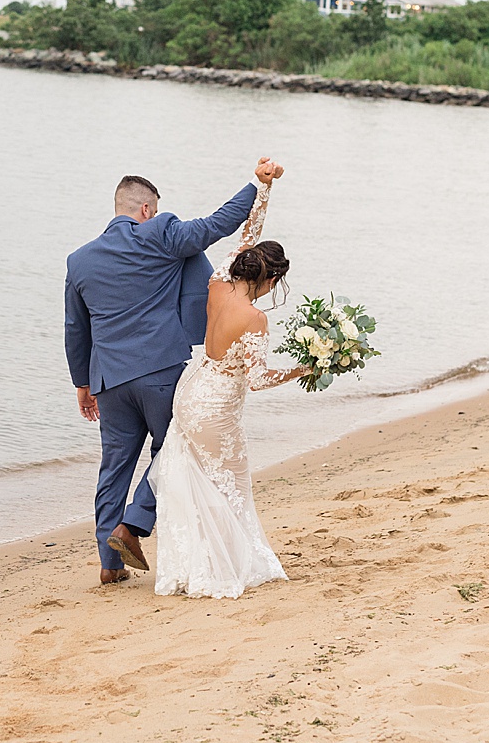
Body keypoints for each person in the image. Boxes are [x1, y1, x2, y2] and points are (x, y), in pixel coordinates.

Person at [65, 160, 280, 585]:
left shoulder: (79, 260)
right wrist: (259, 183)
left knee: (114, 468)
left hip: (108, 380)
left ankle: (110, 567)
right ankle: (134, 524)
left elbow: (76, 327)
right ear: (147, 209)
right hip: (160, 372)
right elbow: (220, 223)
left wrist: (82, 383)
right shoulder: (160, 233)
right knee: (175, 452)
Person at [149, 170, 312, 598]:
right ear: (270, 279)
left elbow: (249, 233)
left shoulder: (220, 283)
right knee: (230, 485)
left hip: (192, 392)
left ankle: (192, 564)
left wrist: (265, 188)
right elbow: (257, 380)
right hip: (216, 408)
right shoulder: (255, 319)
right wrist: (302, 370)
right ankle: (225, 567)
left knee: (195, 481)